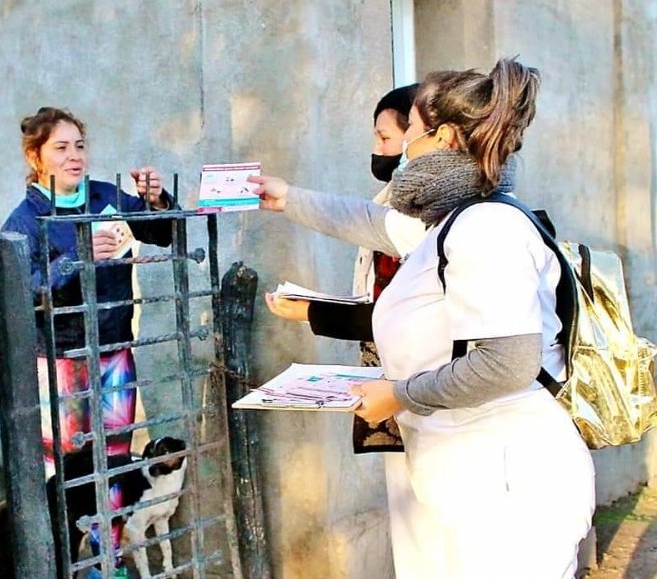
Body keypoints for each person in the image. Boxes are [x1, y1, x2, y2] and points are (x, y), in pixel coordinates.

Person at [251, 58, 595, 578]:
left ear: (447, 137)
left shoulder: (486, 228)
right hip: (476, 467)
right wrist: (291, 199)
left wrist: (399, 394)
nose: (401, 149)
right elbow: (374, 222)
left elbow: (508, 362)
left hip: (505, 475)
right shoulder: (456, 220)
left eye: (408, 131)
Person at [1, 106, 175, 479]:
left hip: (114, 350)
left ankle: (107, 537)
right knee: (67, 464)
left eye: (79, 146)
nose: (74, 156)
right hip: (63, 358)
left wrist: (156, 200)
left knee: (114, 458)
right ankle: (68, 539)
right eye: (61, 147)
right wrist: (75, 258)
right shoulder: (26, 219)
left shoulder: (104, 197)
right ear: (36, 156)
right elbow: (22, 292)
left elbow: (163, 232)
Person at [265, 83, 424, 454]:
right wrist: (288, 198)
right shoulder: (392, 202)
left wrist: (313, 312)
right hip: (396, 381)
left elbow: (403, 315)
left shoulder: (436, 217)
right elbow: (356, 219)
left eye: (386, 137)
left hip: (425, 389)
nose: (377, 150)